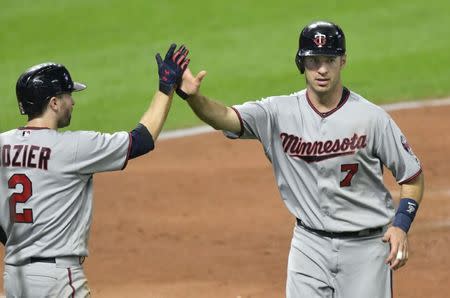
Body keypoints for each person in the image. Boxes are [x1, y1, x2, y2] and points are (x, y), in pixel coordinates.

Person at [176, 21, 424, 297]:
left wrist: (401, 226)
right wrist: (193, 98)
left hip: (366, 249)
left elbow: (412, 177)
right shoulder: (277, 113)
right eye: (313, 60)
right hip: (309, 246)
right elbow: (223, 117)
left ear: (343, 61)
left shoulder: (372, 118)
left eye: (329, 60)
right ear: (301, 62)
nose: (321, 69)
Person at [0, 43, 189, 297]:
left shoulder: (3, 144)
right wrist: (166, 88)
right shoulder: (73, 148)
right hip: (57, 278)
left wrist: (22, 245)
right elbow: (141, 140)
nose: (73, 102)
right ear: (54, 103)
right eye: (68, 95)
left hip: (14, 276)